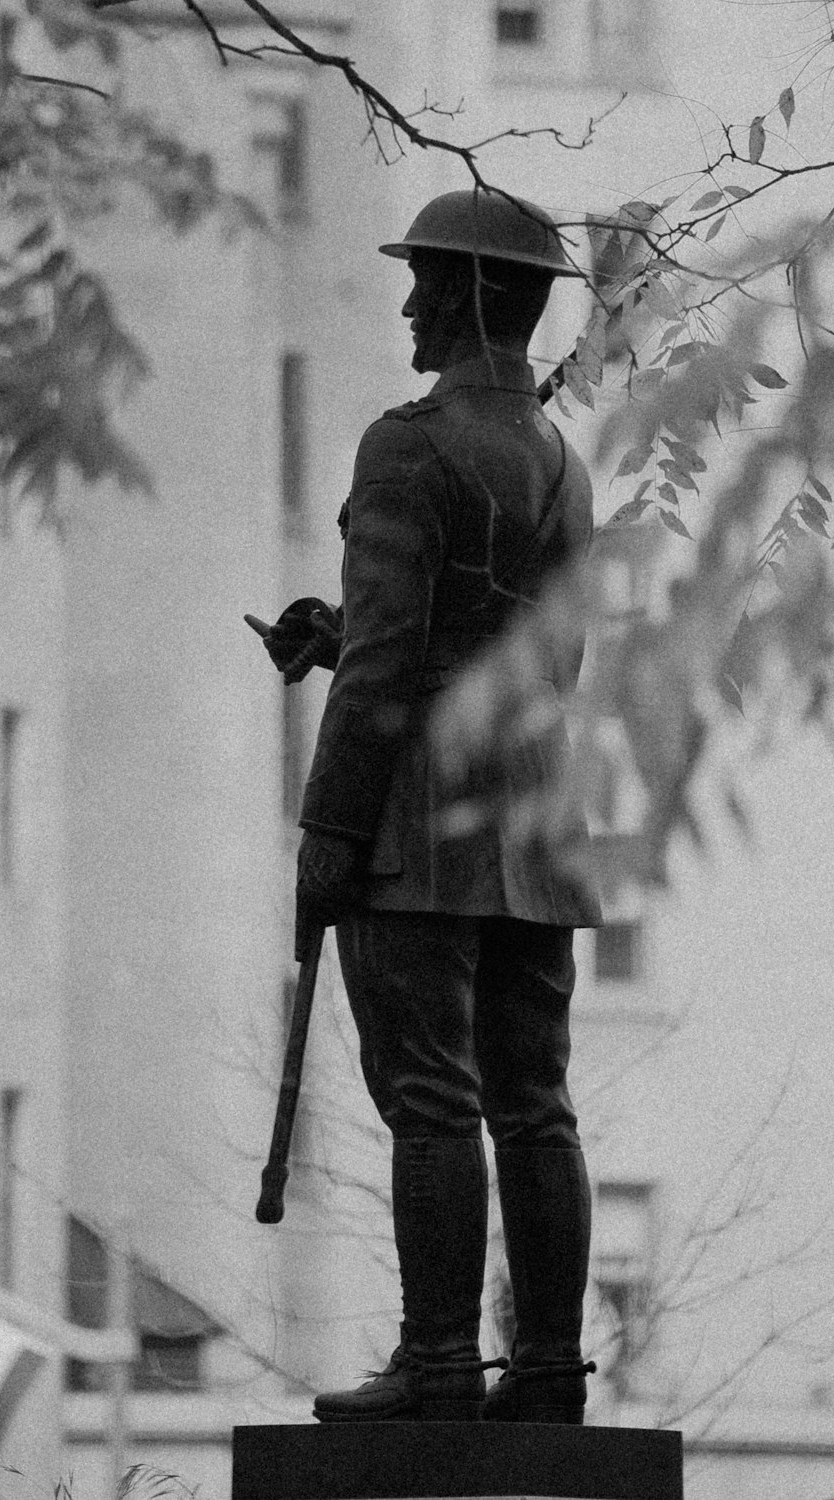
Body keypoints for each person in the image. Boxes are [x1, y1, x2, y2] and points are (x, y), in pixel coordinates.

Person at [258, 188, 602, 1425]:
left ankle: (443, 1363)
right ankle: (551, 1366)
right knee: (534, 1102)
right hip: (534, 830)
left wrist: (329, 831)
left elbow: (395, 672)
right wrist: (341, 632)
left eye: (421, 282)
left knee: (432, 1104)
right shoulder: (566, 461)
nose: (406, 302)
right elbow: (510, 652)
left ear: (463, 297)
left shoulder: (406, 446)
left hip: (415, 833)